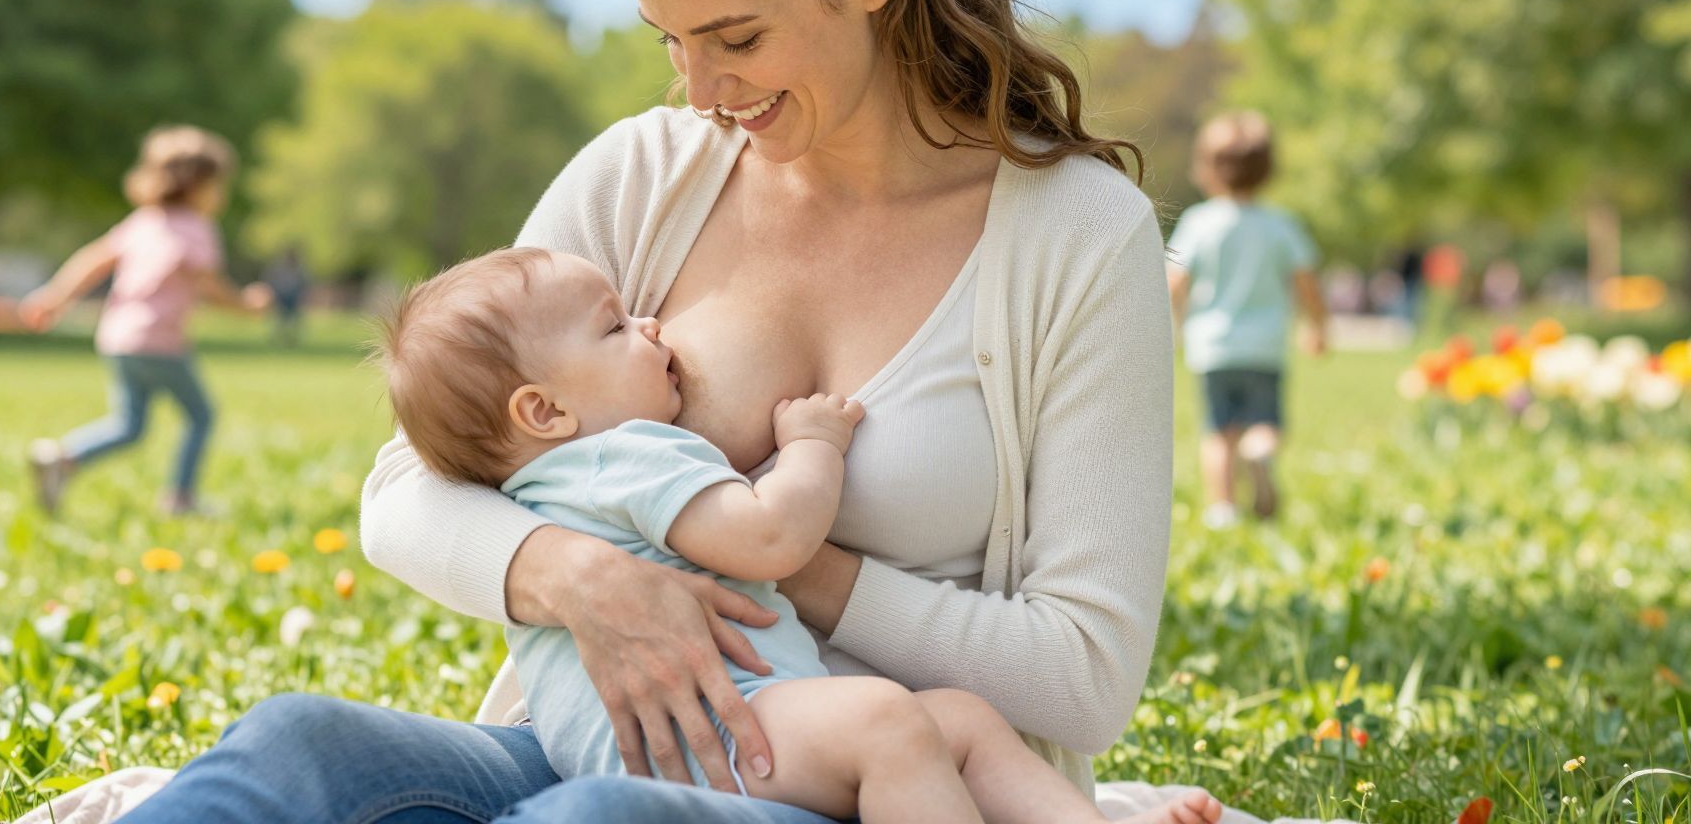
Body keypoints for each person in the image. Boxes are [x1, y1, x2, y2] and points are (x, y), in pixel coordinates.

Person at [110, 0, 1182, 824]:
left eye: (737, 38)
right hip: (585, 748)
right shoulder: (644, 174)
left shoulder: (1076, 239)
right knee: (297, 746)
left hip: (874, 780)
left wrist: (759, 556)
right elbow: (406, 487)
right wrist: (577, 571)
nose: (701, 92)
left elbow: (1082, 673)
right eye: (669, 41)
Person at [377, 247, 1221, 824]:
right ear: (545, 410)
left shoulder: (537, 482)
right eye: (615, 328)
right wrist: (813, 448)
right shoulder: (625, 456)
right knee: (890, 724)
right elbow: (771, 538)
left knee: (957, 719)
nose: (652, 327)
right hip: (716, 739)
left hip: (630, 753)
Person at [19, 125, 272, 516]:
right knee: (202, 415)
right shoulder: (196, 229)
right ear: (198, 185)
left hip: (118, 340)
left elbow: (93, 260)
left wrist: (55, 297)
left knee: (130, 426)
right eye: (218, 184)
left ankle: (63, 458)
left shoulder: (142, 222)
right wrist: (247, 304)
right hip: (159, 343)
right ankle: (181, 498)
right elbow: (210, 287)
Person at [1166, 113, 1325, 530]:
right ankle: (1261, 451)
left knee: (1219, 432)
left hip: (1213, 346)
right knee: (1265, 421)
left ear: (1206, 170)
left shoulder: (1199, 223)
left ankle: (1223, 509)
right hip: (1266, 346)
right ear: (1269, 170)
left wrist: (1172, 324)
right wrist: (1317, 327)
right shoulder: (1280, 225)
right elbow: (1306, 282)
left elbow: (1175, 281)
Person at [264, 246, 308, 346]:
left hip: (294, 297)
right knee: (279, 319)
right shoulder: (279, 268)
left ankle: (291, 338)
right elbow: (271, 279)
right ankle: (278, 338)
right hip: (281, 296)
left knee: (294, 320)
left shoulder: (299, 269)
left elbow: (305, 282)